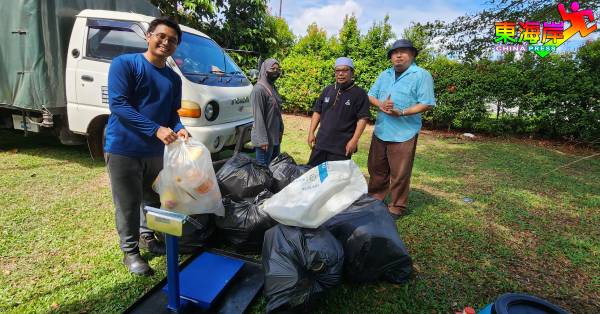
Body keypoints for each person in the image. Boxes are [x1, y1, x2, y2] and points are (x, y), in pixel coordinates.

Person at [104, 17, 189, 276]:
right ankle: (130, 253)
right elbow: (118, 105)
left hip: (154, 151)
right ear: (149, 36)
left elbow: (172, 114)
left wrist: (178, 128)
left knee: (153, 198)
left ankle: (147, 237)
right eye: (161, 36)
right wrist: (156, 129)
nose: (166, 42)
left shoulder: (174, 79)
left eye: (172, 40)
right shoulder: (126, 64)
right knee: (128, 203)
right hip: (123, 148)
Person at [367, 39, 436, 220]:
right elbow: (371, 95)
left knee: (400, 173)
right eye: (394, 53)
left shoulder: (421, 75)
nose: (398, 55)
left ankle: (397, 206)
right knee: (376, 169)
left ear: (412, 55)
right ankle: (375, 199)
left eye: (404, 52)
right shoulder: (385, 74)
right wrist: (381, 104)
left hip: (404, 133)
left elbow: (427, 103)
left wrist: (402, 112)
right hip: (381, 130)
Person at [307, 57, 370, 167]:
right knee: (314, 174)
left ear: (352, 73)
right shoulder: (327, 90)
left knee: (336, 180)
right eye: (337, 70)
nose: (340, 74)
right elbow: (317, 111)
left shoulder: (360, 94)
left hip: (341, 147)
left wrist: (354, 140)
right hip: (321, 143)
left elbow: (363, 118)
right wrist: (311, 132)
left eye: (345, 70)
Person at [250, 58, 284, 166]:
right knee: (263, 172)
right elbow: (258, 116)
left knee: (274, 168)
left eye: (277, 69)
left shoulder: (273, 88)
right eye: (272, 68)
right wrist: (262, 140)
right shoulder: (258, 90)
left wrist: (280, 130)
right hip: (264, 141)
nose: (276, 71)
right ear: (264, 70)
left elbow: (277, 112)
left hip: (274, 137)